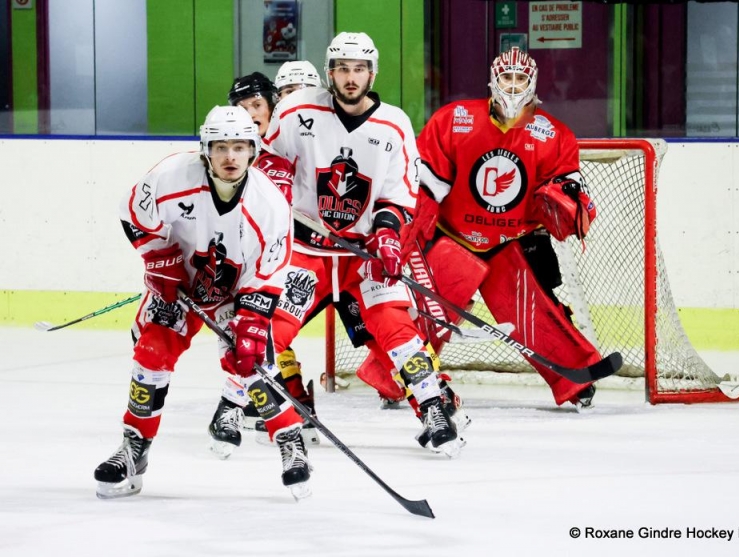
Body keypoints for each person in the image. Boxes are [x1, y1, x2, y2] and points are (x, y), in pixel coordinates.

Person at [94, 105, 313, 501]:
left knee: (254, 365)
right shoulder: (170, 176)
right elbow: (133, 217)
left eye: (240, 147)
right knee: (151, 353)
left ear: (254, 150)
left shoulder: (271, 206)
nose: (231, 157)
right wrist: (158, 261)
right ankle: (134, 447)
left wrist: (248, 328)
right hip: (178, 285)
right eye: (221, 146)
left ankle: (290, 442)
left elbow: (267, 275)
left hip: (236, 293)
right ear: (205, 149)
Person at [264, 32, 467, 457]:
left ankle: (432, 406)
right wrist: (277, 181)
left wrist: (389, 235)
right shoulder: (296, 109)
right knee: (269, 329)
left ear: (372, 73)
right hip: (308, 251)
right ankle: (296, 408)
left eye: (359, 69)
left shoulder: (394, 124)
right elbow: (266, 159)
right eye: (342, 69)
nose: (350, 78)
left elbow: (398, 192)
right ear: (329, 72)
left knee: (394, 326)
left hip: (364, 256)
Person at [414, 46, 601, 409]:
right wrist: (412, 234)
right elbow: (426, 185)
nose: (513, 86)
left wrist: (569, 200)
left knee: (536, 313)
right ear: (492, 80)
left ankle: (574, 379)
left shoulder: (554, 135)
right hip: (454, 237)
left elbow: (568, 185)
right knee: (429, 313)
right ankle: (393, 378)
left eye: (520, 79)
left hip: (512, 242)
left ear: (532, 83)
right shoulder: (454, 119)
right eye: (506, 77)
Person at [207, 70, 317, 458]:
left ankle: (256, 404)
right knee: (244, 339)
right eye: (242, 107)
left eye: (257, 105)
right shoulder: (227, 154)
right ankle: (250, 407)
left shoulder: (285, 154)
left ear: (272, 106)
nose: (250, 114)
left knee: (262, 334)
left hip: (290, 261)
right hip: (239, 262)